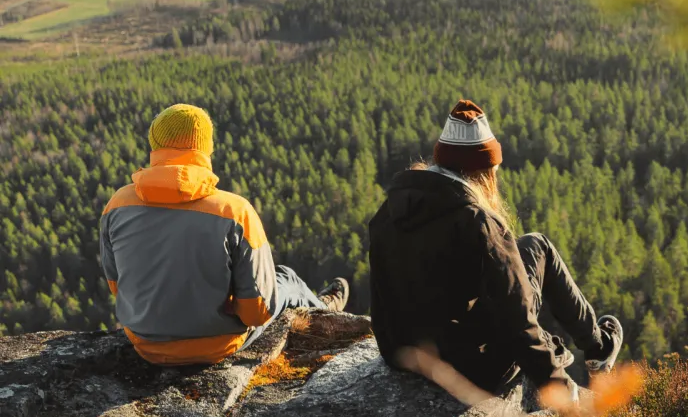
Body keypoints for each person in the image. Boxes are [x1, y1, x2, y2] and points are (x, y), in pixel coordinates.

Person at [369, 99, 623, 396]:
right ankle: (597, 348)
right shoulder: (480, 224)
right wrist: (560, 387)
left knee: (527, 250)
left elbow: (383, 302)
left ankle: (582, 346)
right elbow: (520, 324)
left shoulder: (388, 212)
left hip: (401, 356)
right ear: (482, 172)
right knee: (538, 247)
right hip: (470, 370)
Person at [100, 103, 349, 366]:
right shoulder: (234, 211)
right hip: (218, 345)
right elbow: (257, 313)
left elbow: (118, 287)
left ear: (154, 144)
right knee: (286, 279)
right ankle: (323, 311)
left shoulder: (117, 205)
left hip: (145, 344)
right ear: (206, 148)